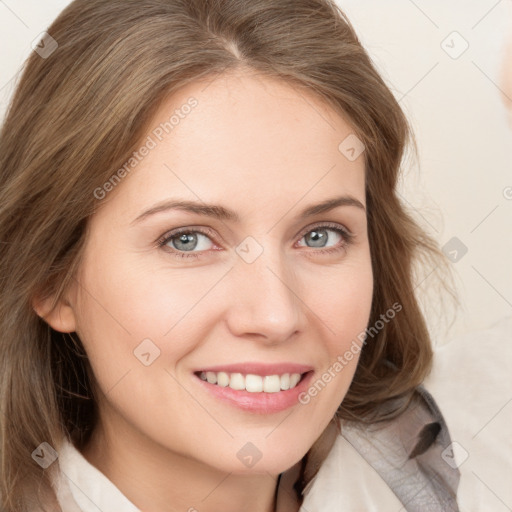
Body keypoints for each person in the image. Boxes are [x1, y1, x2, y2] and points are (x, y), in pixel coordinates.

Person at [0, 0, 460, 510]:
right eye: (187, 240)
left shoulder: (473, 454)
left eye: (320, 235)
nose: (275, 316)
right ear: (51, 277)